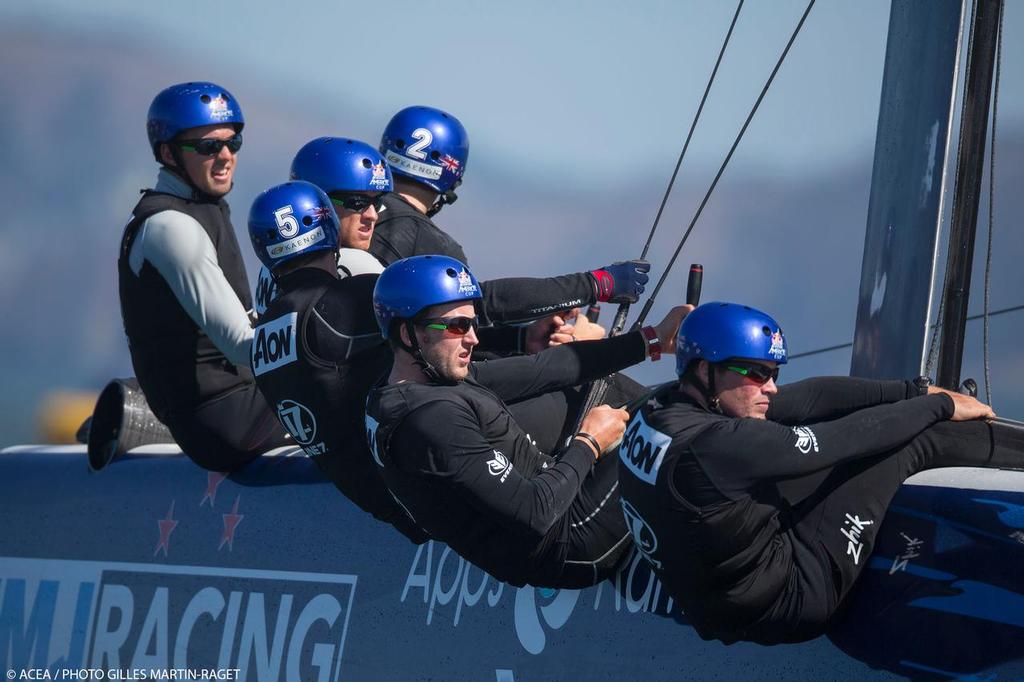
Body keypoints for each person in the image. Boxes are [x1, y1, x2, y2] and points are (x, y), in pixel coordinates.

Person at [616, 301, 1024, 645]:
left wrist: (915, 391)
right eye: (756, 373)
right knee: (910, 440)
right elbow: (849, 438)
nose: (771, 387)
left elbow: (811, 396)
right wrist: (940, 407)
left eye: (773, 373)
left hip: (718, 592)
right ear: (705, 370)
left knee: (891, 417)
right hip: (794, 598)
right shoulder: (721, 444)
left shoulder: (662, 408)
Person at [365, 255, 691, 588]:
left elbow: (544, 370)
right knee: (666, 416)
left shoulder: (416, 382)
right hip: (568, 543)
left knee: (603, 386)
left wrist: (651, 340)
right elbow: (535, 513)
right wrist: (589, 442)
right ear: (407, 334)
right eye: (457, 326)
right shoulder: (431, 420)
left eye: (473, 324)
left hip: (549, 495)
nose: (474, 339)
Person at [248, 177, 433, 542]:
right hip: (428, 491)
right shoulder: (353, 282)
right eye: (356, 203)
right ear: (329, 222)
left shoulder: (262, 330)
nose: (372, 215)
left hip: (386, 506)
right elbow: (463, 310)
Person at [118, 81, 288, 471]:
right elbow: (244, 345)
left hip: (235, 405)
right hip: (226, 424)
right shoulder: (172, 228)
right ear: (169, 153)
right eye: (209, 147)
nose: (226, 156)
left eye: (234, 143)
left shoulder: (203, 209)